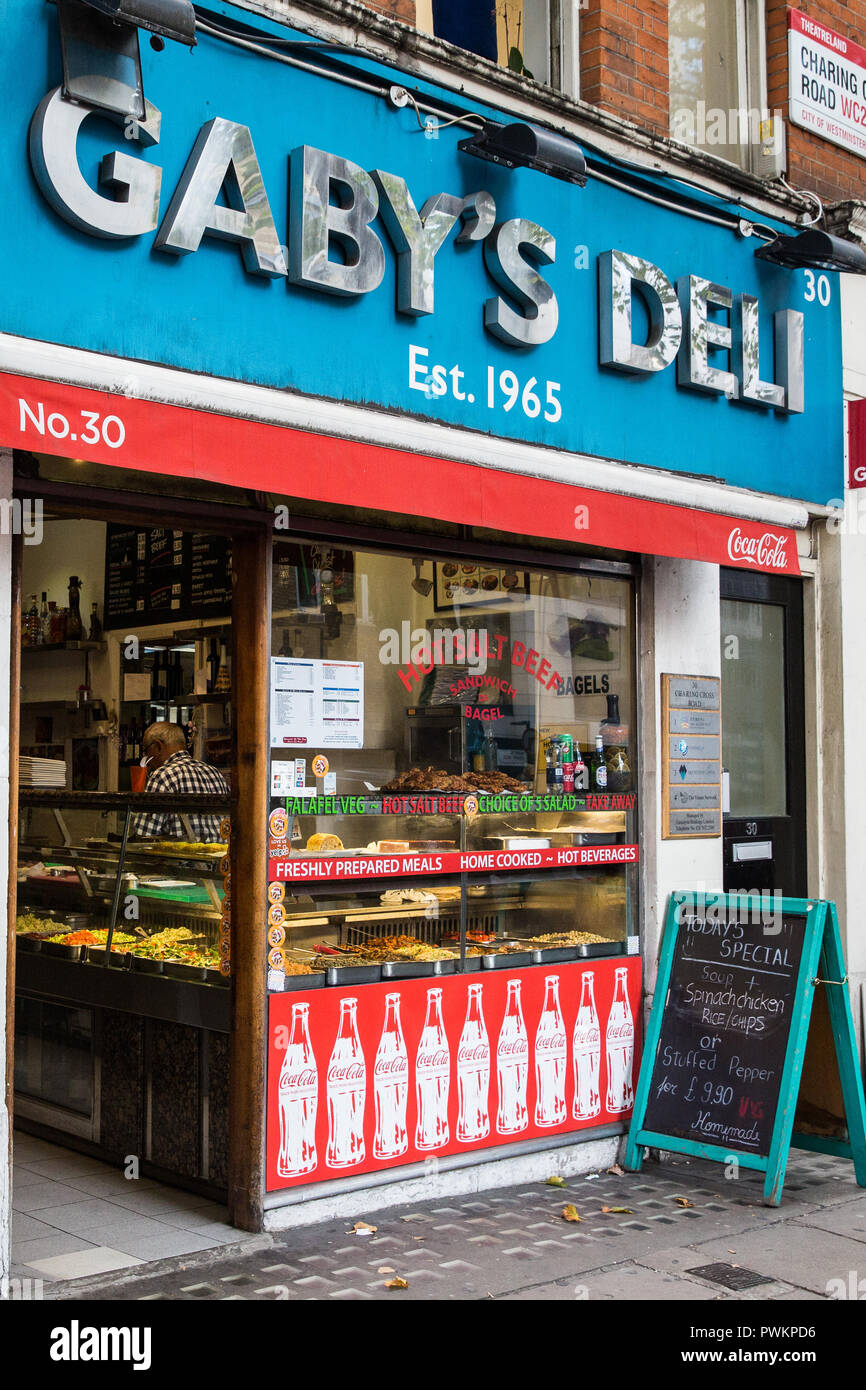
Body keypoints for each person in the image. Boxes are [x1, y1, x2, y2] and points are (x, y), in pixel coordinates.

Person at [131, 722, 229, 842]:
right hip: (220, 859)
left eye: (146, 752)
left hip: (183, 860)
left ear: (158, 746)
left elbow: (143, 835)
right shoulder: (214, 772)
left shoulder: (162, 775)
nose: (147, 761)